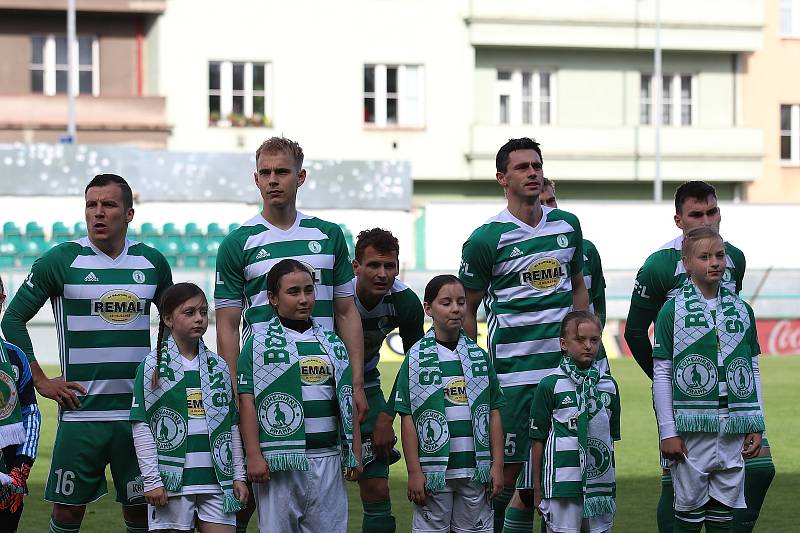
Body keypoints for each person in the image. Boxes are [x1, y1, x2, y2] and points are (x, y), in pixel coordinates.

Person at [0, 174, 173, 533]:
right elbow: (13, 319)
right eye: (91, 205)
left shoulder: (152, 262)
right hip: (82, 415)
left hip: (137, 416)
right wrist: (41, 380)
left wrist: (165, 364)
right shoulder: (62, 260)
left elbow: (174, 319)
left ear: (128, 213)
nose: (98, 213)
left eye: (108, 205)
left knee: (141, 510)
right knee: (66, 513)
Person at [214, 137, 367, 531]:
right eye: (265, 173)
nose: (273, 180)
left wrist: (357, 382)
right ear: (255, 178)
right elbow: (229, 323)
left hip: (322, 383)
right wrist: (233, 385)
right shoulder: (238, 242)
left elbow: (347, 312)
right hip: (266, 389)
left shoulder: (329, 235)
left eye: (281, 172)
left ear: (300, 177)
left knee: (323, 501)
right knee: (251, 498)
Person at [623, 181, 774, 533]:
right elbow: (634, 332)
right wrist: (673, 386)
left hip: (732, 399)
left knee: (758, 468)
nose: (706, 219)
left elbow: (735, 334)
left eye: (712, 211)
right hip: (683, 394)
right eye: (696, 214)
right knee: (679, 480)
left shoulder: (734, 257)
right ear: (679, 220)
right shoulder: (659, 265)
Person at [459, 137, 591, 532]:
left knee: (569, 473)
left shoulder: (567, 226)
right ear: (502, 177)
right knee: (509, 477)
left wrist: (586, 340)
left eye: (537, 165)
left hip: (564, 375)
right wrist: (474, 366)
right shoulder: (487, 239)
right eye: (522, 167)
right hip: (513, 379)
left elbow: (579, 284)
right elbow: (468, 307)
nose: (533, 173)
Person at [652, 227, 765, 533]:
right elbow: (661, 375)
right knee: (688, 512)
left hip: (732, 425)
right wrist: (667, 432)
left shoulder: (742, 311)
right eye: (704, 257)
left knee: (723, 515)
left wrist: (756, 422)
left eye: (719, 255)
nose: (714, 262)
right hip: (691, 431)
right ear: (687, 263)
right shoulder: (671, 311)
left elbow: (752, 369)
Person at [237, 259, 361, 533]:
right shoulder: (257, 344)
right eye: (293, 292)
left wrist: (355, 450)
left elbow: (346, 398)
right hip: (279, 462)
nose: (304, 299)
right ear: (272, 298)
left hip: (327, 457)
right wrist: (254, 455)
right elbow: (247, 402)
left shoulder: (332, 342)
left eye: (309, 290)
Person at [130, 283, 247, 532]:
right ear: (168, 319)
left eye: (203, 312)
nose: (199, 319)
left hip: (217, 483)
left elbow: (232, 426)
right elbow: (142, 428)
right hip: (172, 484)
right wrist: (151, 480)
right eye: (190, 312)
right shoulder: (152, 368)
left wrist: (239, 475)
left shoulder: (219, 367)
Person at [394, 275, 505, 533]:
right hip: (434, 474)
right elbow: (408, 416)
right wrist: (414, 471)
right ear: (428, 308)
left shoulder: (479, 357)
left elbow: (494, 412)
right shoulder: (415, 359)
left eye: (461, 302)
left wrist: (497, 465)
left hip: (474, 471)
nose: (455, 308)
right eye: (446, 302)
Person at [352, 228, 425, 533]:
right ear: (356, 267)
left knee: (378, 488)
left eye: (389, 266)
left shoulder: (405, 301)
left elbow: (415, 363)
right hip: (320, 388)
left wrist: (386, 415)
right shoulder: (333, 295)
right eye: (373, 265)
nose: (383, 274)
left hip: (367, 386)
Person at [530, 311, 620, 533]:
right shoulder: (550, 384)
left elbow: (611, 440)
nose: (588, 346)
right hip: (562, 485)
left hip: (598, 487)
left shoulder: (609, 385)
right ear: (563, 343)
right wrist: (537, 489)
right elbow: (537, 440)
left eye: (594, 340)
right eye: (580, 340)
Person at [0, 275, 41, 532]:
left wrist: (21, 469)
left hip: (9, 477)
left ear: (1, 300)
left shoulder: (15, 355)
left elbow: (31, 413)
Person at [540, 178, 607, 327]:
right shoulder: (526, 253)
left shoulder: (587, 249)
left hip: (587, 345)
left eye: (551, 201)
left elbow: (599, 302)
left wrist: (594, 337)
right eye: (540, 203)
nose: (548, 208)